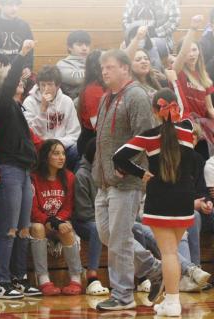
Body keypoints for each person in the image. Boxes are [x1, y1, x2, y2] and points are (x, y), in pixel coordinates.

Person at [113, 88, 199, 316]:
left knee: (168, 254)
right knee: (171, 253)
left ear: (154, 110)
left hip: (160, 199)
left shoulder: (149, 136)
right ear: (176, 108)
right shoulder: (189, 131)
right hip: (184, 199)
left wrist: (141, 173)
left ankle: (172, 302)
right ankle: (170, 300)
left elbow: (118, 156)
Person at [93, 49, 163, 311]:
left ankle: (122, 295)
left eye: (109, 67)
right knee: (108, 235)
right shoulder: (105, 98)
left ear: (125, 68)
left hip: (126, 180)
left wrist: (130, 169)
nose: (105, 72)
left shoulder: (136, 96)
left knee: (120, 238)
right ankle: (155, 270)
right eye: (103, 68)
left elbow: (145, 138)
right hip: (104, 180)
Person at [0, 39, 41, 299]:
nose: (19, 83)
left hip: (22, 170)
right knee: (8, 228)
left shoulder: (17, 108)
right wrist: (21, 55)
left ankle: (19, 277)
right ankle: (2, 280)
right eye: (13, 80)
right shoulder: (0, 104)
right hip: (8, 169)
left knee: (23, 228)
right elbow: (11, 81)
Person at [30, 140, 83, 296]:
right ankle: (43, 279)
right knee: (37, 227)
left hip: (58, 222)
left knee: (67, 228)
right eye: (56, 153)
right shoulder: (34, 178)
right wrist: (51, 222)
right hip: (42, 223)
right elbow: (33, 211)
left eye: (63, 153)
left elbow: (68, 207)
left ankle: (76, 279)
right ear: (45, 157)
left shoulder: (69, 177)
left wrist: (58, 222)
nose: (61, 157)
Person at [23, 65, 81, 171]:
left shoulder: (66, 101)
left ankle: (71, 183)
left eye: (50, 85)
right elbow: (31, 133)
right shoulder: (29, 102)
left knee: (79, 151)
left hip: (63, 148)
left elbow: (74, 134)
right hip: (40, 149)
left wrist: (57, 146)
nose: (46, 89)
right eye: (42, 85)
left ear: (58, 86)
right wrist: (43, 110)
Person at [71, 138, 110, 296]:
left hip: (105, 219)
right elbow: (83, 213)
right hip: (83, 223)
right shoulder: (81, 175)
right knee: (96, 229)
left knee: (138, 228)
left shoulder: (106, 172)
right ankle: (92, 276)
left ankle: (143, 277)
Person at [172, 15, 214, 157]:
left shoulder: (204, 77)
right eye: (188, 50)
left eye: (194, 50)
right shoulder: (177, 72)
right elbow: (182, 54)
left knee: (203, 164)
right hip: (185, 127)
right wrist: (193, 28)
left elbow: (209, 108)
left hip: (202, 130)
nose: (191, 54)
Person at [0, 0, 34, 78]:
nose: (14, 9)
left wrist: (27, 67)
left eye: (17, 5)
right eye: (10, 4)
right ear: (1, 4)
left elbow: (29, 51)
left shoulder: (24, 25)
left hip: (18, 72)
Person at [76, 50, 105, 156]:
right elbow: (98, 125)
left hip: (99, 139)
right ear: (99, 67)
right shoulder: (93, 90)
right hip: (92, 143)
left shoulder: (103, 86)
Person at [56, 30, 91, 100]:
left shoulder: (93, 62)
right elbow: (76, 79)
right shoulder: (62, 64)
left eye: (87, 45)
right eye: (79, 45)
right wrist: (96, 71)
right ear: (69, 47)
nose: (84, 48)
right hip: (73, 105)